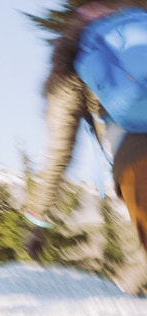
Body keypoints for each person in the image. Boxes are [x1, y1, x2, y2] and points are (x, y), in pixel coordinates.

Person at [25, 1, 147, 261]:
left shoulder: (72, 67)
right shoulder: (137, 19)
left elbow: (59, 153)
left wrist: (38, 219)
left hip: (134, 153)